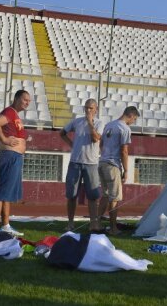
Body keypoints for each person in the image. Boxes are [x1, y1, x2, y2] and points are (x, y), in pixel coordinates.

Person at [0, 89, 31, 236]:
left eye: (29, 101)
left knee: (7, 193)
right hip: (10, 156)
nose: (28, 103)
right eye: (25, 99)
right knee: (2, 192)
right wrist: (4, 139)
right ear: (17, 98)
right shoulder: (9, 112)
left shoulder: (15, 115)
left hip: (15, 156)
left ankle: (5, 224)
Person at [60, 98, 104, 232]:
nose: (88, 110)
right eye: (86, 107)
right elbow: (62, 133)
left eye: (91, 108)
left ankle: (93, 223)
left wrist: (90, 123)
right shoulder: (77, 121)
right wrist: (71, 144)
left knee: (93, 196)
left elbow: (95, 138)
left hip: (91, 163)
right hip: (75, 163)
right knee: (71, 195)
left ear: (96, 110)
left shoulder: (100, 123)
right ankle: (70, 223)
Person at [97, 106, 140, 235]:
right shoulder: (125, 128)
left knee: (105, 195)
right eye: (135, 119)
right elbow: (124, 150)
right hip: (113, 164)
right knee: (114, 197)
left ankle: (96, 224)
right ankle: (113, 228)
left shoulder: (109, 125)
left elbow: (101, 144)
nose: (134, 121)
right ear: (131, 115)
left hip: (102, 162)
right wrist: (126, 170)